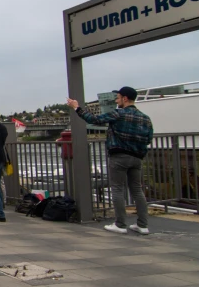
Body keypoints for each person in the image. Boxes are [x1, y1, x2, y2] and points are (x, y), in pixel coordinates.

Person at [66, 86, 154, 235]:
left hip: (119, 156)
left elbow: (94, 119)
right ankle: (143, 225)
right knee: (137, 190)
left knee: (117, 189)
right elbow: (149, 138)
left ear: (125, 98)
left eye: (118, 98)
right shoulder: (145, 118)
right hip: (137, 158)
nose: (116, 100)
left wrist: (77, 108)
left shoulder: (119, 114)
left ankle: (120, 224)